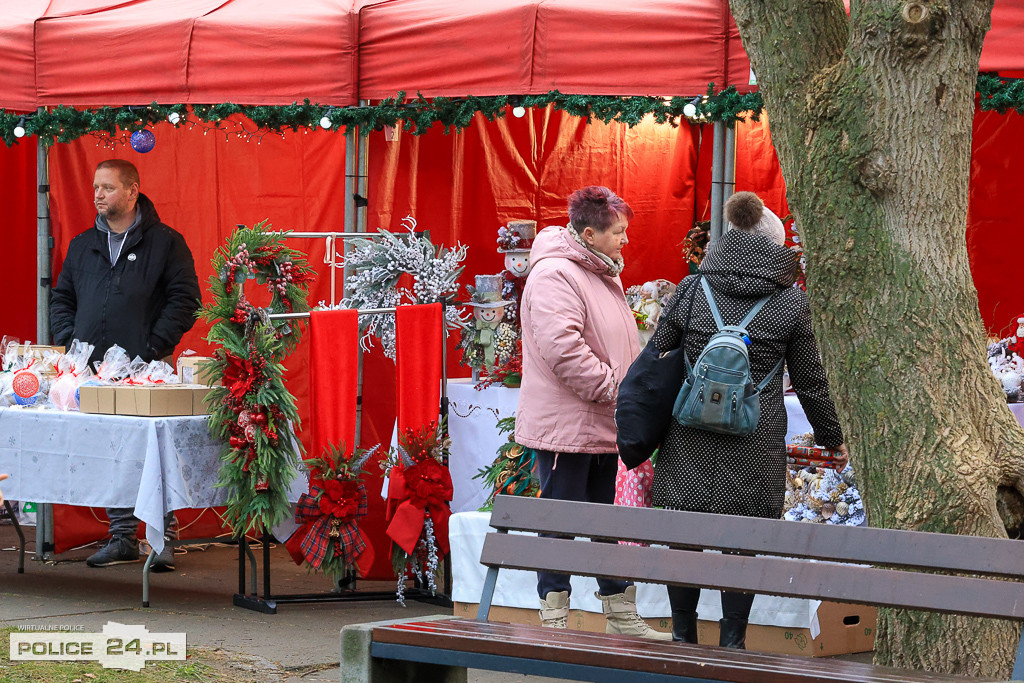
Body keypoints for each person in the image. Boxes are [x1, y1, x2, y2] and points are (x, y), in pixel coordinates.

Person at [649, 191, 848, 649]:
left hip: (689, 432)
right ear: (776, 249)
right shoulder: (791, 304)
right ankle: (733, 642)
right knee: (744, 539)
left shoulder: (692, 289)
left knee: (685, 532)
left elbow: (657, 353)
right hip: (754, 439)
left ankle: (682, 636)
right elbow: (811, 382)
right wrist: (830, 435)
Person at [515, 186, 670, 640]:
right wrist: (615, 390)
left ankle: (621, 614)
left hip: (602, 423)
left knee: (608, 523)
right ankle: (554, 620)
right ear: (589, 233)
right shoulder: (556, 275)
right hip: (567, 428)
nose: (626, 240)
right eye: (619, 232)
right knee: (562, 525)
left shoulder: (599, 270)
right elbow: (563, 350)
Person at [50, 159, 201, 571]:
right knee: (108, 454)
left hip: (145, 371)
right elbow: (62, 298)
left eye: (108, 188)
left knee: (153, 455)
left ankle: (162, 540)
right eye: (95, 187)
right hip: (91, 372)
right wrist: (70, 342)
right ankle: (121, 538)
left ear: (133, 191)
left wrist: (152, 347)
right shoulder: (83, 244)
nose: (98, 195)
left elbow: (185, 300)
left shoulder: (167, 243)